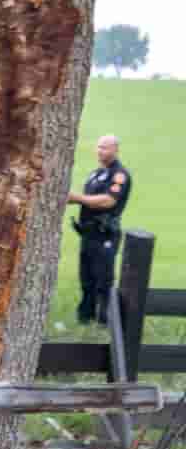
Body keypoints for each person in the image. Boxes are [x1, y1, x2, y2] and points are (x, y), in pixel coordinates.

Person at [68, 134, 132, 325]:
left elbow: (109, 200)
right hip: (88, 234)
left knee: (103, 279)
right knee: (86, 278)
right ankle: (85, 319)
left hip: (105, 233)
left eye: (105, 147)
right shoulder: (95, 174)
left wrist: (77, 198)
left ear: (115, 149)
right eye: (98, 147)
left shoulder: (119, 175)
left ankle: (106, 321)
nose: (100, 151)